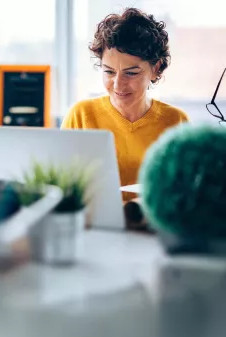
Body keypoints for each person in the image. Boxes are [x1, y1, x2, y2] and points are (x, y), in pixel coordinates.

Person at [61, 8, 189, 201]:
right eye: (109, 72)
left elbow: (185, 194)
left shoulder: (176, 122)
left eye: (131, 73)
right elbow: (61, 185)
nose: (118, 84)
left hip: (153, 228)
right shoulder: (81, 115)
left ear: (156, 69)